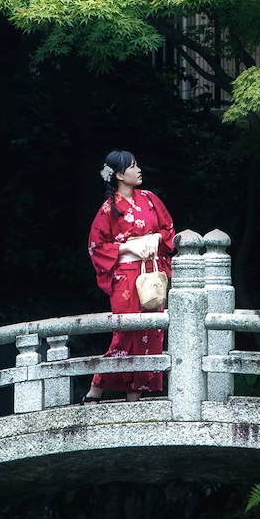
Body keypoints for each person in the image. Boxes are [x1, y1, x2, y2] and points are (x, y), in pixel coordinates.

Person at [81, 150, 174, 403]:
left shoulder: (150, 199)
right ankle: (96, 389)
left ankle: (135, 396)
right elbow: (96, 247)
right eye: (133, 167)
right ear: (120, 175)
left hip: (150, 272)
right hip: (125, 276)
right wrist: (128, 247)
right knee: (125, 334)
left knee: (150, 332)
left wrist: (155, 237)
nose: (138, 170)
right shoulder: (109, 209)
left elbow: (168, 230)